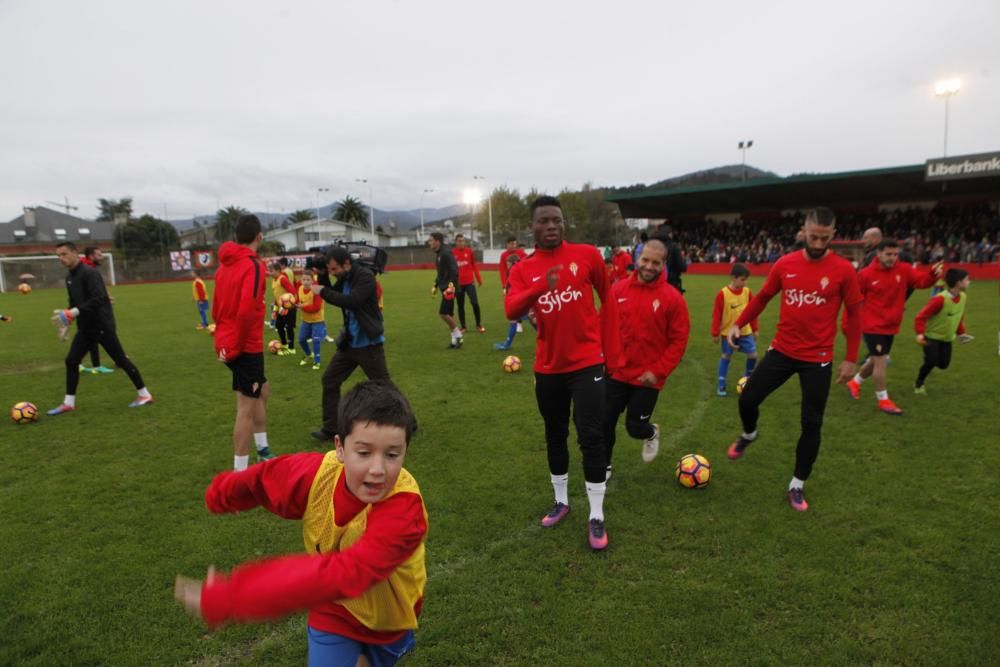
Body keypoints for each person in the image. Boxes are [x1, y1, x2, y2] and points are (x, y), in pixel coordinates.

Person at [174, 380, 425, 667]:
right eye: (364, 452)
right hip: (334, 610)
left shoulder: (404, 510)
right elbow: (266, 478)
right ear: (340, 448)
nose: (378, 469)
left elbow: (347, 573)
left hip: (388, 620)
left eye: (392, 454)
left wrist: (232, 597)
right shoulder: (317, 475)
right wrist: (222, 494)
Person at [725, 207, 862, 512]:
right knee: (747, 399)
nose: (817, 242)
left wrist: (851, 358)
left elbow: (854, 315)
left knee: (811, 423)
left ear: (833, 236)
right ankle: (749, 433)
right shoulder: (785, 264)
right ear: (803, 230)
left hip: (819, 359)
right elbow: (762, 297)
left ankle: (797, 484)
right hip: (783, 351)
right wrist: (739, 323)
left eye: (824, 238)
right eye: (813, 236)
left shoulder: (843, 271)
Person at [505, 195, 622, 551]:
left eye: (557, 220)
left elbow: (608, 299)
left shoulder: (586, 255)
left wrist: (611, 354)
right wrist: (542, 286)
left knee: (591, 436)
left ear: (563, 223)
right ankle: (561, 502)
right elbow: (511, 309)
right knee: (554, 434)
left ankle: (597, 515)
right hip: (548, 367)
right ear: (532, 227)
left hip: (587, 364)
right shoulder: (522, 268)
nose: (552, 226)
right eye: (544, 221)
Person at [603, 239, 689, 479]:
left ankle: (650, 432)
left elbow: (679, 341)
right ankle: (605, 465)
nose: (649, 266)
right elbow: (605, 325)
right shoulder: (618, 289)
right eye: (645, 260)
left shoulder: (672, 298)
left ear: (663, 264)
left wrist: (658, 371)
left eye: (656, 262)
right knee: (604, 421)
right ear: (637, 259)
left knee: (634, 428)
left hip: (647, 378)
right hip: (617, 372)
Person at [47, 242, 154, 415]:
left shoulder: (89, 273)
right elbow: (73, 304)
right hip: (85, 328)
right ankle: (68, 403)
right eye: (58, 256)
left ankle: (145, 395)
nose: (61, 258)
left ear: (75, 253)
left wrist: (73, 312)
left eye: (64, 254)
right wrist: (66, 325)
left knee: (121, 360)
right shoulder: (69, 277)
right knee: (71, 361)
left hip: (101, 325)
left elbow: (99, 298)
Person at [845, 239, 941, 414]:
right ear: (878, 254)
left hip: (891, 325)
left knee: (875, 360)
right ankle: (883, 400)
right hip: (872, 325)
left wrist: (932, 275)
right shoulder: (866, 275)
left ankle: (855, 382)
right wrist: (851, 323)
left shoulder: (903, 269)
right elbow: (853, 300)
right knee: (881, 361)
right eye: (888, 254)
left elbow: (921, 282)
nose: (892, 258)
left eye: (895, 254)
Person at [213, 214, 274, 470]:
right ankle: (240, 472)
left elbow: (216, 306)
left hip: (228, 340)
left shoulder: (225, 265)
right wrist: (237, 345)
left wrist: (223, 339)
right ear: (259, 236)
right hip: (244, 345)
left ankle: (263, 448)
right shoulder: (254, 265)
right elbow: (248, 309)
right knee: (245, 407)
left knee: (262, 390)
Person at [310, 246, 390, 442]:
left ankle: (407, 423)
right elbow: (333, 292)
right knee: (329, 380)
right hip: (350, 344)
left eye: (334, 269)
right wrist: (322, 276)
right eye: (331, 270)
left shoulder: (365, 277)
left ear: (347, 263)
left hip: (368, 344)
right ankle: (331, 429)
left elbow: (352, 301)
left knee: (384, 387)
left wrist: (322, 291)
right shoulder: (345, 277)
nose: (334, 274)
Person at [914, 268, 973, 394]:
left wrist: (962, 334)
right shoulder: (939, 299)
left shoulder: (963, 297)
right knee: (931, 361)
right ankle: (919, 383)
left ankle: (928, 367)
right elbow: (920, 317)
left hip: (947, 338)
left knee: (943, 365)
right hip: (931, 337)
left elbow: (958, 316)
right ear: (958, 283)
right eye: (967, 279)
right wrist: (920, 334)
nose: (969, 281)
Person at [711, 263, 758, 397]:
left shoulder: (747, 292)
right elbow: (716, 315)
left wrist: (755, 328)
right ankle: (721, 384)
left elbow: (753, 311)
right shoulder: (723, 294)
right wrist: (715, 333)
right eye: (742, 279)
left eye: (746, 279)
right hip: (728, 334)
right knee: (726, 356)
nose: (745, 282)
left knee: (753, 355)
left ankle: (748, 378)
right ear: (733, 278)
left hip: (745, 332)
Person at [78, 246, 114, 374]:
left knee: (90, 337)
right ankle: (120, 359)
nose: (102, 257)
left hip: (90, 307)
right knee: (104, 333)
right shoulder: (85, 269)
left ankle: (93, 365)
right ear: (91, 256)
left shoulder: (86, 268)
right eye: (99, 255)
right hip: (90, 309)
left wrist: (106, 297)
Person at [494, 252, 535, 351]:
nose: (507, 267)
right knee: (528, 319)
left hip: (522, 299)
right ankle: (507, 344)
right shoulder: (519, 269)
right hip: (524, 299)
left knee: (529, 319)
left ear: (513, 263)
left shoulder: (515, 270)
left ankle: (507, 344)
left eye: (508, 264)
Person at [427, 232, 462, 349]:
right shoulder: (439, 254)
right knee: (449, 314)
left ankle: (458, 334)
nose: (429, 242)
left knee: (443, 313)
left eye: (431, 240)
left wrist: (451, 288)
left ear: (438, 241)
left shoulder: (446, 253)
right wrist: (435, 285)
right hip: (445, 288)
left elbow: (455, 271)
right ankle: (454, 341)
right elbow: (441, 273)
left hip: (450, 289)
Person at [451, 233, 484, 333]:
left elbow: (474, 265)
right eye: (460, 241)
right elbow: (450, 269)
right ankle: (463, 327)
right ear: (455, 242)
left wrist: (479, 279)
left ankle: (478, 325)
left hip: (470, 282)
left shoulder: (469, 251)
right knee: (460, 305)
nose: (462, 243)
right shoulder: (452, 253)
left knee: (475, 303)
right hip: (458, 284)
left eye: (463, 241)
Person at [296, 270, 326, 370]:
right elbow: (298, 301)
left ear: (313, 281)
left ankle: (317, 361)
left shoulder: (316, 291)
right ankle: (309, 354)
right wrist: (290, 305)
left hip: (317, 320)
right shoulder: (300, 288)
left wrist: (302, 307)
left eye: (308, 280)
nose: (305, 282)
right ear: (301, 280)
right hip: (306, 320)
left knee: (315, 340)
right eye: (304, 279)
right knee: (301, 339)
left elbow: (316, 307)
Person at [269, 261, 297, 356]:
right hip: (281, 309)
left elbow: (292, 292)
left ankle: (292, 348)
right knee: (279, 326)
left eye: (271, 271)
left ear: (277, 270)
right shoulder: (273, 281)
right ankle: (284, 344)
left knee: (288, 327)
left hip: (289, 308)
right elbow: (277, 297)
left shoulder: (283, 279)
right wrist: (275, 310)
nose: (270, 273)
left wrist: (287, 306)